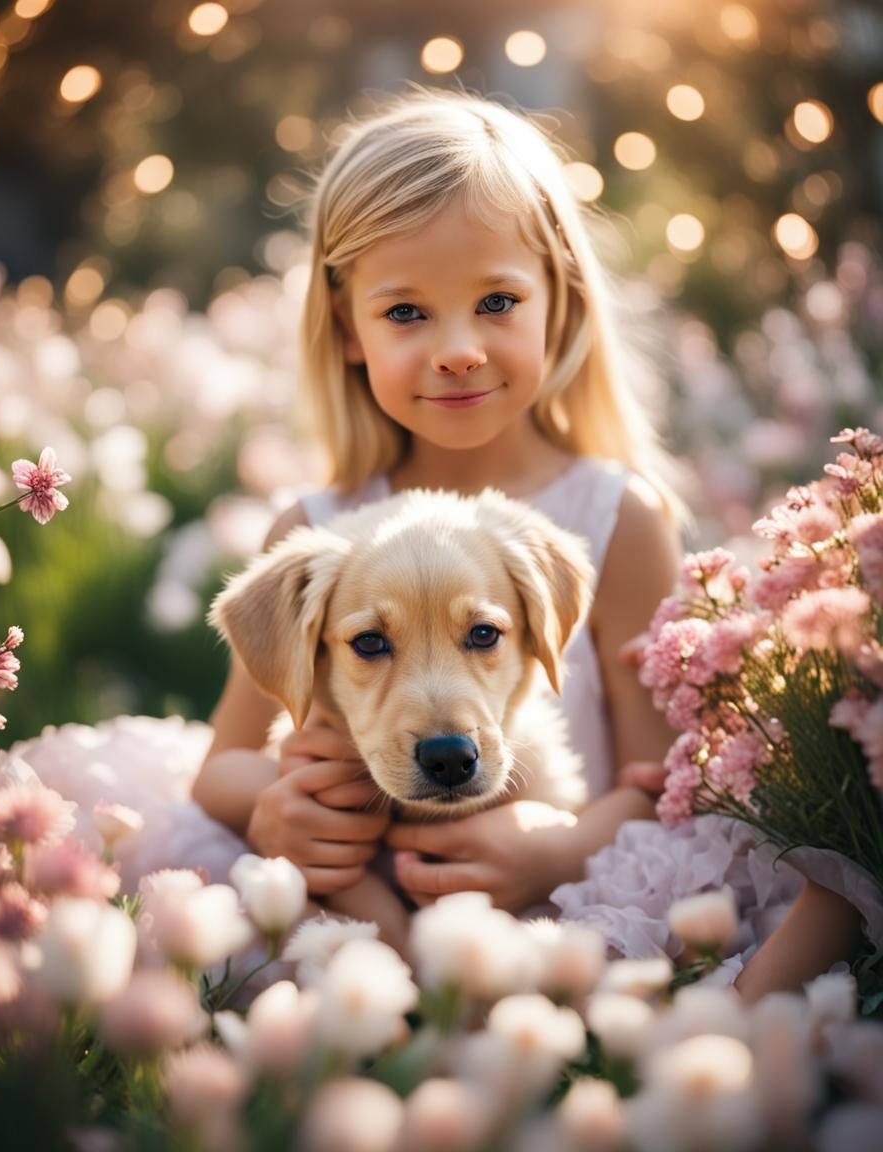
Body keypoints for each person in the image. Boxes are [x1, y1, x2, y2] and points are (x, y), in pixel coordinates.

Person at [192, 89, 685, 930]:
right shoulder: (317, 534)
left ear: (558, 300)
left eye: (496, 302)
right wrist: (273, 809)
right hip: (352, 930)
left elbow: (669, 787)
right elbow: (223, 767)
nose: (458, 351)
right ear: (348, 327)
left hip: (573, 916)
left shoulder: (618, 521)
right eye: (406, 312)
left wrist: (557, 852)